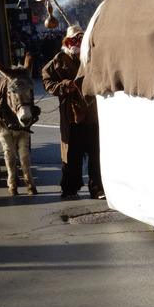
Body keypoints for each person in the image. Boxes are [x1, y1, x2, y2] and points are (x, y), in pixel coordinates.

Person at [42, 25, 105, 200]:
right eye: (73, 40)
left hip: (93, 112)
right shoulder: (59, 60)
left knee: (96, 151)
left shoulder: (92, 58)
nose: (77, 43)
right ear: (67, 43)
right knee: (72, 153)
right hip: (72, 114)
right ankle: (70, 188)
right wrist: (64, 86)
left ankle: (97, 188)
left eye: (80, 39)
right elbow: (47, 81)